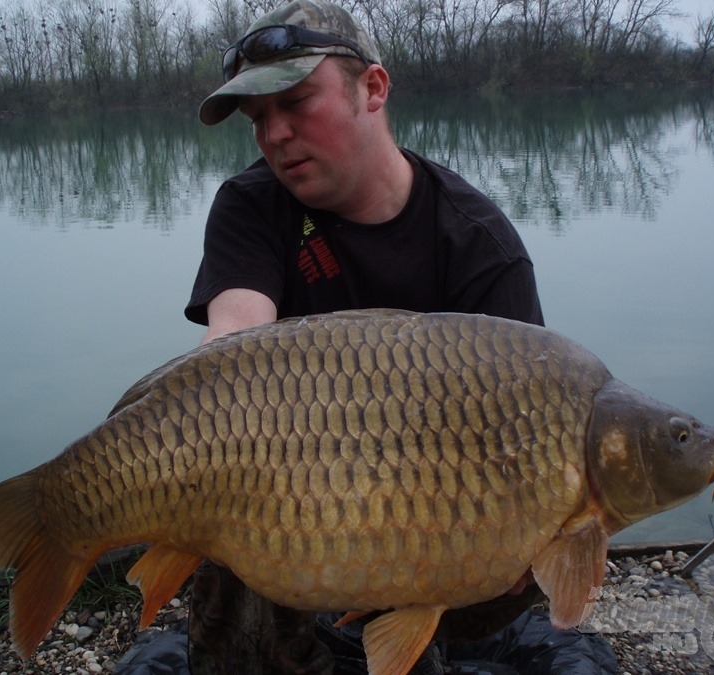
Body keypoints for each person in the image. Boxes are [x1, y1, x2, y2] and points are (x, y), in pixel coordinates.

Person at [181, 1, 607, 673]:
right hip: (290, 508)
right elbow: (234, 339)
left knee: (509, 538)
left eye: (294, 102)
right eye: (258, 118)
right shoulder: (252, 204)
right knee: (233, 504)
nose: (274, 134)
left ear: (372, 89)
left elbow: (531, 428)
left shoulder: (479, 247)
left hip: (437, 521)